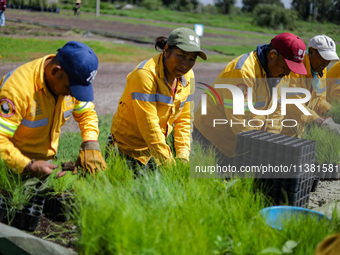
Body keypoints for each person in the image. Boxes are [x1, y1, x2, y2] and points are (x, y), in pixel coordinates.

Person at [193, 32, 307, 165]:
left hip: (242, 140)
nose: (287, 74)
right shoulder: (244, 72)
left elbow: (277, 112)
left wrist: (271, 142)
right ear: (272, 56)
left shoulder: (283, 74)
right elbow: (239, 122)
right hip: (213, 137)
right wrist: (260, 150)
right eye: (285, 68)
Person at [0, 41, 107, 179]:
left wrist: (90, 143)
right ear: (56, 71)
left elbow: (86, 114)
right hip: (10, 166)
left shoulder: (71, 81)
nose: (74, 94)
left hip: (43, 165)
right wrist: (28, 165)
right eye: (70, 88)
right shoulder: (16, 90)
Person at [106, 27, 207, 170]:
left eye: (192, 59)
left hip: (157, 149)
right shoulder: (145, 75)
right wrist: (170, 165)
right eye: (181, 56)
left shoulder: (188, 76)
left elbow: (184, 120)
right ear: (166, 51)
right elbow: (149, 126)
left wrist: (183, 158)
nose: (185, 64)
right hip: (127, 150)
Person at [269, 34, 340, 137]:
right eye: (323, 58)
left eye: (329, 60)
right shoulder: (294, 68)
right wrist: (320, 122)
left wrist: (332, 111)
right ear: (311, 52)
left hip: (297, 129)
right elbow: (293, 102)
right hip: (278, 128)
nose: (326, 63)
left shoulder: (321, 69)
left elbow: (319, 99)